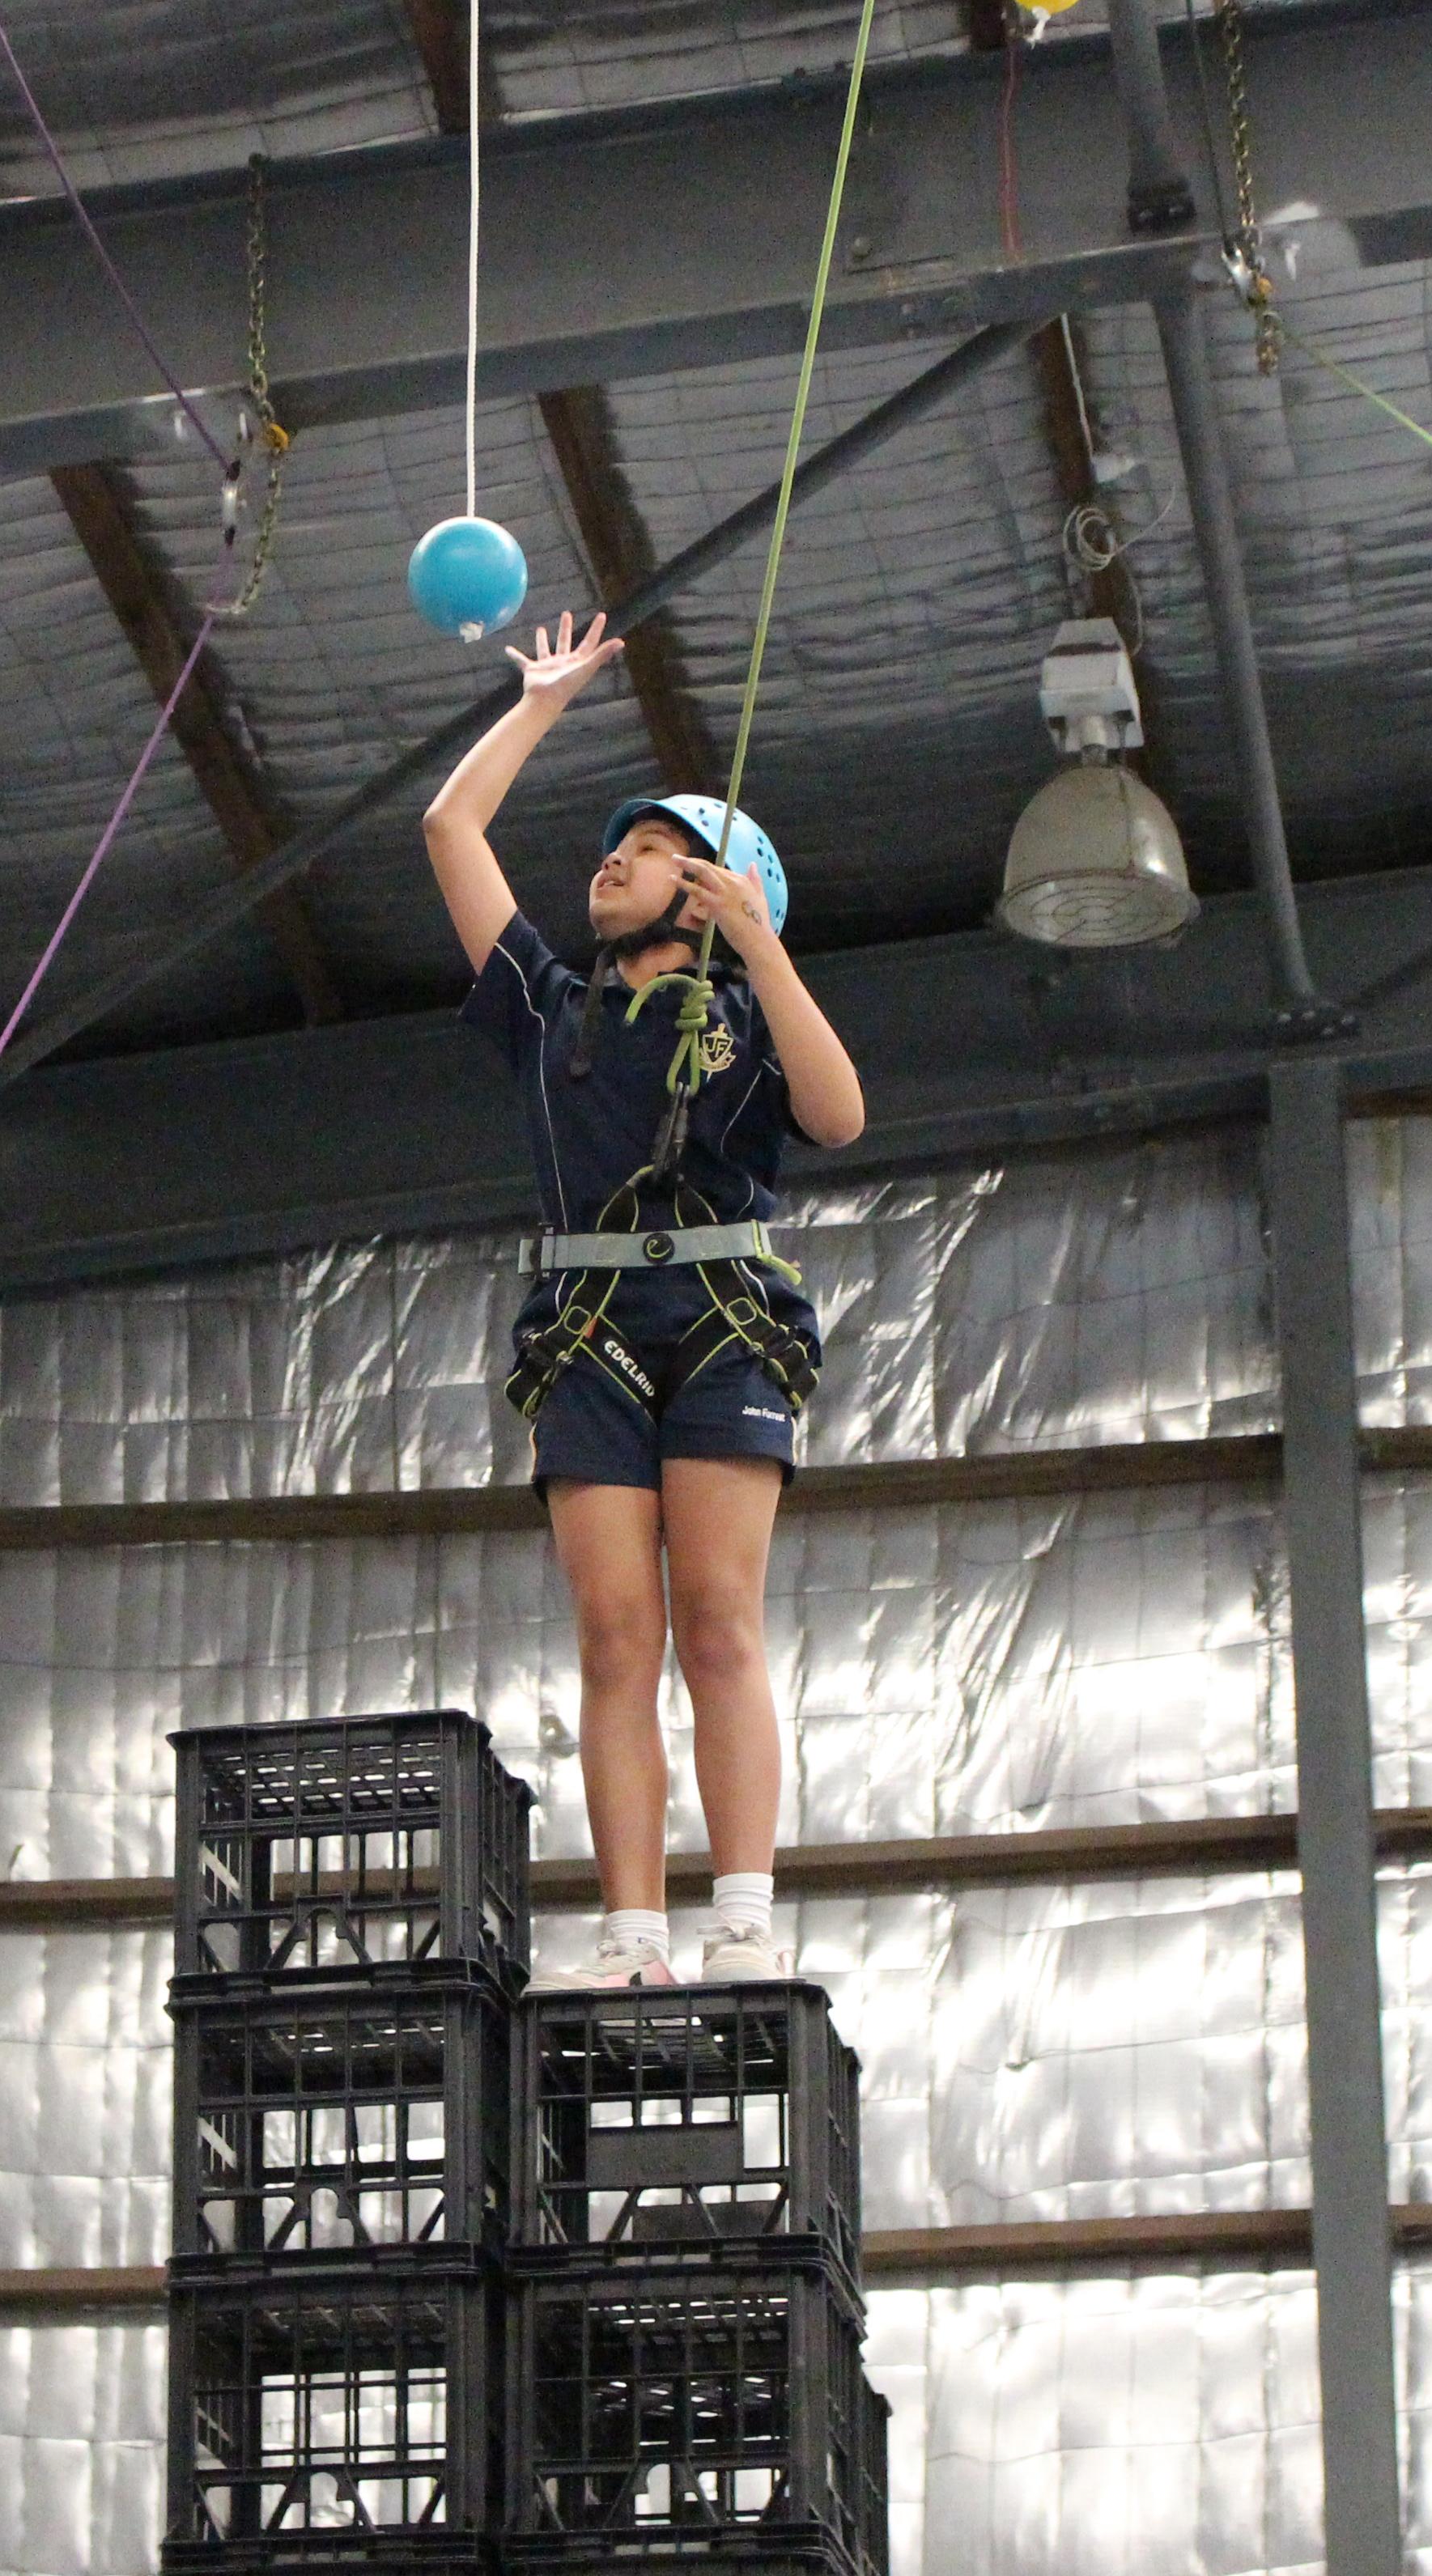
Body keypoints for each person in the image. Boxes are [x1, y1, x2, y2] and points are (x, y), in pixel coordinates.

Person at [423, 610, 865, 1985]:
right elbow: (451, 827)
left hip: (726, 1321)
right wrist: (542, 704)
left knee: (720, 1619)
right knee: (618, 1635)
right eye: (617, 848)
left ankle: (741, 1918)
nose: (613, 861)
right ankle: (632, 1935)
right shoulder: (549, 1007)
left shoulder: (747, 1017)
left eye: (657, 850)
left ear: (719, 893)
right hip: (589, 1334)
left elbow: (838, 1117)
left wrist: (764, 952)